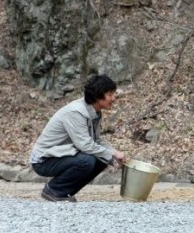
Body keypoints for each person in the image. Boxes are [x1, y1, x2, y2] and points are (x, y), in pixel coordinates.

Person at [30, 74, 126, 202]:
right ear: (98, 95)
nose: (114, 98)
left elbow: (96, 140)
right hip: (43, 160)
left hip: (61, 155)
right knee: (87, 161)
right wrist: (113, 153)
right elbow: (85, 145)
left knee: (102, 159)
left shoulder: (95, 112)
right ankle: (53, 190)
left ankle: (64, 193)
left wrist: (114, 154)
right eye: (110, 94)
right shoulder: (76, 112)